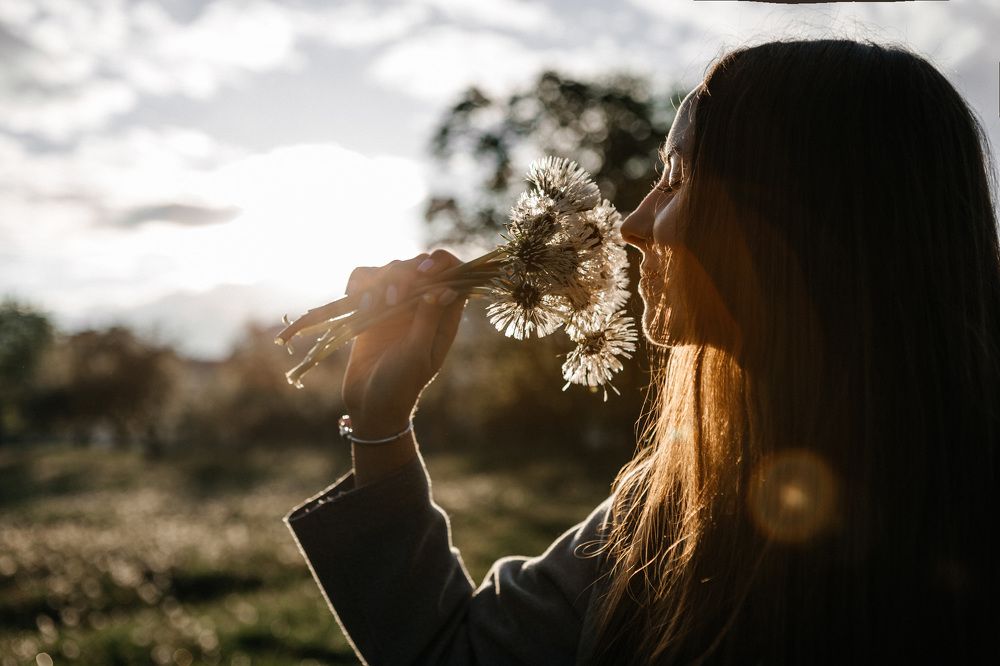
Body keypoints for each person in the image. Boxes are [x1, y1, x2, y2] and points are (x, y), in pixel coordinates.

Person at [284, 38, 1000, 664]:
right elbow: (454, 652)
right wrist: (382, 421)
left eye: (678, 178)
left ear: (797, 220)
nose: (630, 223)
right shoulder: (667, 508)